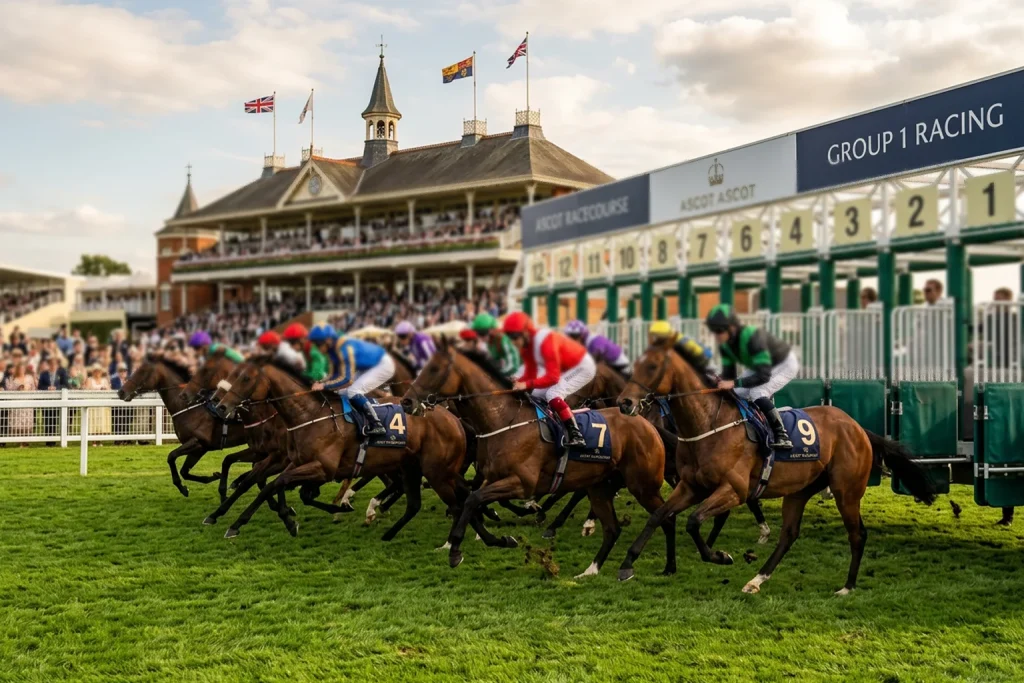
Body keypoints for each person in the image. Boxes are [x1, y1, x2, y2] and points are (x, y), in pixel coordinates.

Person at [706, 303, 799, 450]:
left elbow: (763, 376)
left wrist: (733, 382)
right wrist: (718, 381)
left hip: (784, 364)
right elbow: (729, 376)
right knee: (737, 392)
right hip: (760, 366)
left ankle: (782, 435)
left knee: (757, 392)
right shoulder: (725, 346)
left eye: (718, 331)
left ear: (732, 328)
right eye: (713, 331)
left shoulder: (753, 337)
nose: (716, 336)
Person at [502, 311, 595, 448]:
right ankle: (553, 424)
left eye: (515, 337)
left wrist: (525, 384)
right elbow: (531, 373)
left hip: (582, 366)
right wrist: (518, 380)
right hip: (566, 368)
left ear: (527, 332)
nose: (513, 342)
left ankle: (576, 434)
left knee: (552, 394)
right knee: (534, 394)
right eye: (509, 337)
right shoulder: (526, 346)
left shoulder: (545, 341)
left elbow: (553, 377)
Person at [309, 324, 394, 436]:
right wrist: (321, 382)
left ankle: (377, 424)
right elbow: (333, 375)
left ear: (328, 340)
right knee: (341, 392)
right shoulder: (332, 350)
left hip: (382, 364)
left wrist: (324, 386)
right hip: (368, 367)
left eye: (318, 344)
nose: (317, 348)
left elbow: (347, 379)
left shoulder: (344, 348)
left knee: (353, 391)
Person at [563, 319, 632, 376]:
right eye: (570, 337)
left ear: (582, 335)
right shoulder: (586, 342)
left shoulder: (595, 342)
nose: (572, 340)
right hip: (609, 365)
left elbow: (592, 364)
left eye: (574, 337)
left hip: (620, 366)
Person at [647, 320, 713, 371]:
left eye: (656, 336)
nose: (655, 340)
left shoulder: (680, 342)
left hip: (703, 358)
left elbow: (699, 356)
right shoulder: (672, 338)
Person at [471, 313, 521, 378]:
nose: (479, 337)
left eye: (482, 333)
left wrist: (496, 375)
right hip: (510, 372)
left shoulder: (504, 340)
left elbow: (514, 365)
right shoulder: (490, 343)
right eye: (477, 333)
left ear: (492, 331)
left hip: (521, 371)